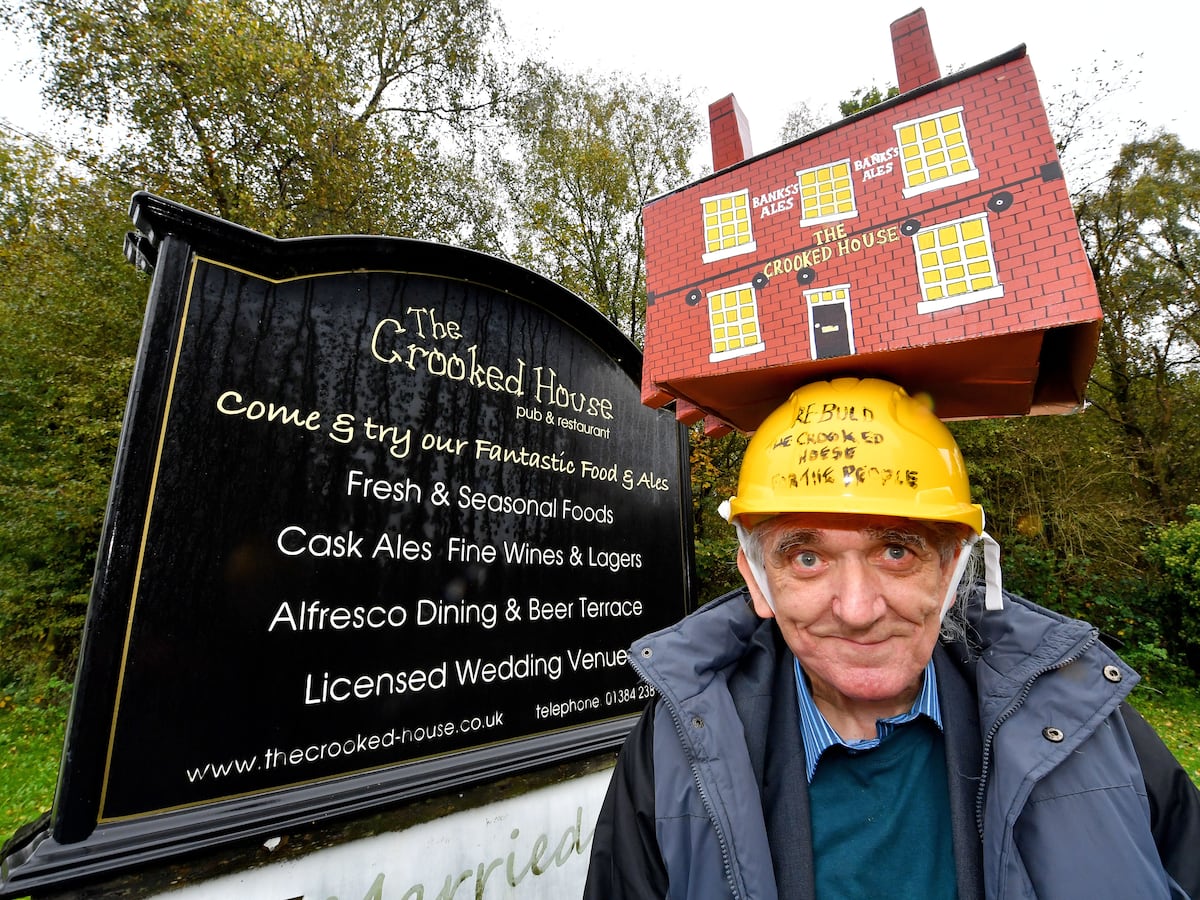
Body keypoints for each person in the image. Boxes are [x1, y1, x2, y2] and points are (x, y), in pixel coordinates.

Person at [585, 377, 1200, 899]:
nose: (856, 610)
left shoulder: (1076, 716)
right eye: (805, 558)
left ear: (954, 567)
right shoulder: (678, 744)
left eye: (898, 550)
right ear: (755, 576)